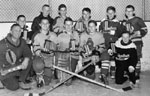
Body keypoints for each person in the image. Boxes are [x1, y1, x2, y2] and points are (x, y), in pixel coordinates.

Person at [0, 24, 32, 91]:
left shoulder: (22, 41)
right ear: (11, 32)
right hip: (5, 69)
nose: (18, 32)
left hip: (16, 66)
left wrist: (25, 60)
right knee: (14, 87)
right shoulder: (2, 44)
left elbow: (28, 53)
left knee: (29, 60)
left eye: (20, 31)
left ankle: (21, 80)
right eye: (16, 30)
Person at [121, 5, 148, 84]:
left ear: (134, 12)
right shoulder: (124, 22)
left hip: (136, 42)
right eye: (127, 11)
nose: (128, 12)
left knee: (136, 57)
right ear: (125, 12)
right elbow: (122, 32)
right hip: (127, 43)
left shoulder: (138, 19)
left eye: (130, 11)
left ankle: (136, 73)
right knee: (127, 57)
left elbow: (145, 30)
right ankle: (129, 72)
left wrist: (137, 33)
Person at [80, 20, 110, 84]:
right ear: (87, 27)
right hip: (88, 56)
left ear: (96, 27)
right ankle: (85, 71)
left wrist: (96, 53)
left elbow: (102, 46)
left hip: (97, 55)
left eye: (93, 26)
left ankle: (103, 75)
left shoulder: (100, 35)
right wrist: (82, 53)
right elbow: (80, 47)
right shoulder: (83, 35)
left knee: (106, 54)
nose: (91, 28)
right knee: (90, 77)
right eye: (89, 26)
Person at [32, 17, 57, 87]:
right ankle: (39, 75)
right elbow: (35, 48)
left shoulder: (53, 35)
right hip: (41, 56)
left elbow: (56, 47)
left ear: (49, 24)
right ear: (40, 24)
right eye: (43, 23)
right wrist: (40, 52)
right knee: (38, 64)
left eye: (47, 23)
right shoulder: (37, 35)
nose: (45, 25)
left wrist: (52, 52)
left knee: (47, 82)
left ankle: (47, 74)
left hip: (50, 57)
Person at [99, 6, 122, 79]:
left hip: (113, 43)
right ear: (106, 13)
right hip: (105, 43)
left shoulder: (117, 23)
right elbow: (100, 31)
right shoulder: (103, 21)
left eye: (112, 13)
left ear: (115, 13)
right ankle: (104, 74)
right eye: (109, 13)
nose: (110, 14)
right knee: (105, 57)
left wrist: (116, 41)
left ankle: (113, 71)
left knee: (113, 57)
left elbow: (119, 34)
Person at [56, 17, 79, 85]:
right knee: (61, 78)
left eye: (70, 24)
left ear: (72, 25)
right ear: (64, 25)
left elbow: (78, 45)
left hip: (73, 56)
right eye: (66, 25)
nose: (68, 27)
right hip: (63, 57)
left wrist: (73, 46)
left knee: (68, 81)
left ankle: (74, 70)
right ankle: (60, 74)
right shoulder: (60, 35)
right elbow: (58, 47)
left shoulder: (75, 34)